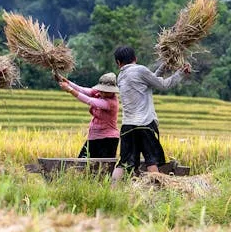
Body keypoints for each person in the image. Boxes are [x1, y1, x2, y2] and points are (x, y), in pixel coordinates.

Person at [111, 46, 190, 183]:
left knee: (123, 162)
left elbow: (150, 80)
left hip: (127, 126)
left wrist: (164, 66)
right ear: (135, 58)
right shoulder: (140, 70)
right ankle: (155, 189)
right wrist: (180, 73)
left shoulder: (121, 76)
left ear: (118, 63)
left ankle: (112, 189)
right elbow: (163, 85)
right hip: (144, 125)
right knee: (151, 160)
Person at [58, 72, 120, 159]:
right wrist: (67, 82)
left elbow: (89, 101)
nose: (103, 93)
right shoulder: (98, 93)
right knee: (82, 162)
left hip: (108, 139)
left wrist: (69, 89)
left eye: (107, 91)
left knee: (103, 166)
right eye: (102, 90)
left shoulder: (111, 103)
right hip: (93, 136)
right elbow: (82, 90)